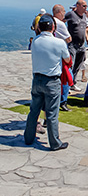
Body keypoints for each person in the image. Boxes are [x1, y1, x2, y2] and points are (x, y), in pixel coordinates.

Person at [24, 15, 70, 151]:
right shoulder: (59, 43)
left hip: (37, 79)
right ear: (53, 27)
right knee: (51, 114)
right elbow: (67, 59)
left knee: (34, 111)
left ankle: (28, 138)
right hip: (52, 80)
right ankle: (55, 143)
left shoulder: (35, 41)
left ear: (39, 27)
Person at [65, 0, 88, 89]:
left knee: (78, 65)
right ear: (77, 6)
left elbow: (85, 28)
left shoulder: (84, 16)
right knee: (70, 64)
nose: (85, 8)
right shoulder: (71, 14)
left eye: (86, 6)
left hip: (82, 45)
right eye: (84, 6)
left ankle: (72, 83)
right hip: (72, 44)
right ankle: (66, 84)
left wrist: (87, 38)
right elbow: (61, 22)